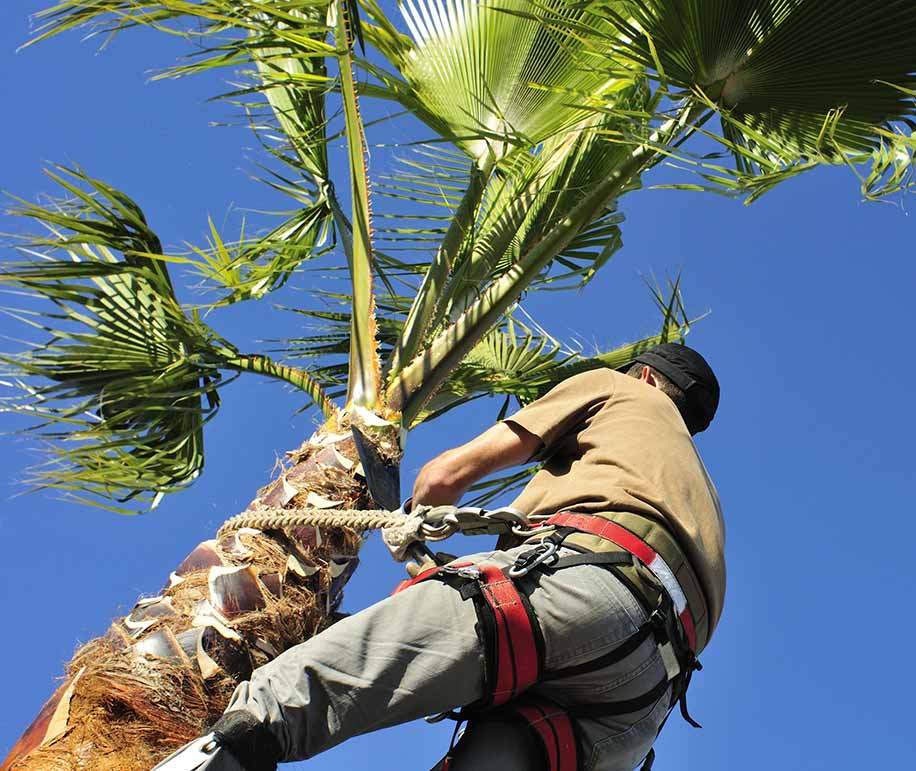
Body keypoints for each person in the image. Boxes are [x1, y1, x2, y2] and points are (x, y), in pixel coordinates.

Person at [153, 343, 724, 771]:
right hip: (639, 705)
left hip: (580, 591)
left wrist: (414, 518)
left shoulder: (623, 391)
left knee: (292, 697)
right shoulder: (702, 496)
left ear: (647, 375)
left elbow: (448, 474)